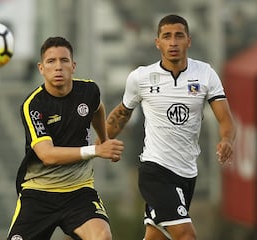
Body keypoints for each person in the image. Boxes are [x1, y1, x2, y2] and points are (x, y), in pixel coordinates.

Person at [106, 14, 236, 240]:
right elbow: (121, 114)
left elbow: (226, 119)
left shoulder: (205, 74)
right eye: (167, 36)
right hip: (155, 170)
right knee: (186, 235)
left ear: (189, 41)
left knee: (155, 236)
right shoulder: (141, 77)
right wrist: (101, 141)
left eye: (179, 36)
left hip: (187, 172)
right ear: (158, 42)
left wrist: (226, 140)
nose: (173, 42)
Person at [6, 36, 124, 240]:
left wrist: (103, 138)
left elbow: (97, 108)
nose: (58, 67)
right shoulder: (33, 105)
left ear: (73, 65)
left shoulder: (89, 91)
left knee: (102, 237)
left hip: (79, 191)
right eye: (51, 62)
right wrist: (96, 150)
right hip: (38, 194)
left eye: (64, 60)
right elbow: (47, 155)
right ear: (41, 68)